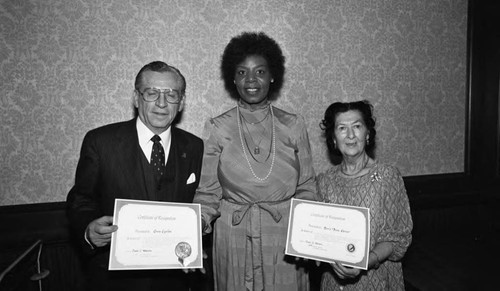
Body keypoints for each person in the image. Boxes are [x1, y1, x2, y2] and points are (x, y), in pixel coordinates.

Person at [193, 31, 317, 291]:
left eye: (259, 72)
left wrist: (308, 235)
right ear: (233, 79)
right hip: (233, 234)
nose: (251, 80)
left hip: (283, 236)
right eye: (241, 72)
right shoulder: (217, 127)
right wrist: (193, 230)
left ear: (272, 76)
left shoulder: (293, 124)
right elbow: (207, 193)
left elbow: (307, 187)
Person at [66, 61, 204, 291]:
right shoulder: (100, 142)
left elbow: (199, 205)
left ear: (181, 102)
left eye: (171, 95)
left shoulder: (195, 146)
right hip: (113, 281)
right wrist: (88, 229)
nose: (161, 103)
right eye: (151, 93)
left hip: (175, 280)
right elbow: (80, 200)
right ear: (136, 98)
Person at [316, 100, 413, 290]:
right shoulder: (324, 181)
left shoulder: (387, 177)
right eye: (342, 128)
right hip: (334, 283)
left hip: (377, 280)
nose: (350, 135)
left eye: (357, 126)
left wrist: (365, 262)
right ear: (334, 138)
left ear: (367, 134)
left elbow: (398, 238)